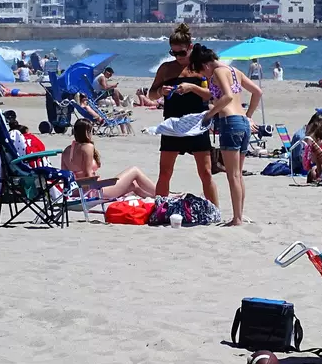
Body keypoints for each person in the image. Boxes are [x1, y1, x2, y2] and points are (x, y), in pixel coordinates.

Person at [189, 44, 262, 226]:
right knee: (238, 174)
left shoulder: (218, 73)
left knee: (233, 175)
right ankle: (240, 214)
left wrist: (209, 114)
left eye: (203, 73)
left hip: (230, 123)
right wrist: (248, 116)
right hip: (243, 123)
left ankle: (237, 218)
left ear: (205, 66)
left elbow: (227, 97)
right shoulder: (234, 70)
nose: (205, 77)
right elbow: (257, 92)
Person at [148, 23, 218, 205]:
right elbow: (151, 94)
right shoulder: (166, 68)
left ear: (190, 47)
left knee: (205, 172)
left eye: (181, 52)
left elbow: (212, 95)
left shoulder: (201, 68)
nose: (178, 57)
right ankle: (160, 209)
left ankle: (215, 209)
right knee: (165, 172)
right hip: (173, 123)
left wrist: (192, 87)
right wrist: (161, 92)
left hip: (197, 123)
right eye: (174, 53)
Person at [60, 119, 157, 200]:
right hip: (91, 192)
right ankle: (162, 194)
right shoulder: (87, 147)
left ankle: (156, 197)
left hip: (74, 191)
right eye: (91, 131)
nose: (92, 134)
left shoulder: (67, 150)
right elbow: (87, 174)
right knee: (135, 171)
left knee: (133, 186)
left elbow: (65, 175)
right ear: (86, 132)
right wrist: (97, 185)